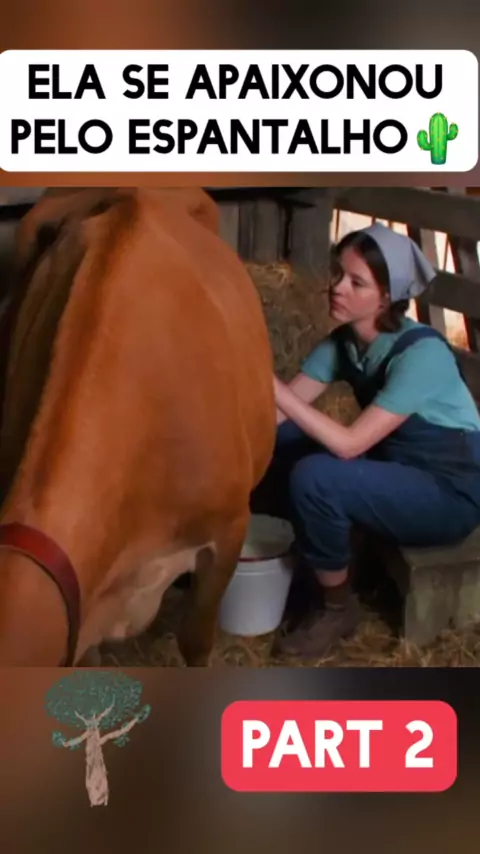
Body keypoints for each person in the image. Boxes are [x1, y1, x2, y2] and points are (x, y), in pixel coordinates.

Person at [251, 222, 480, 660]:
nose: (336, 287)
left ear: (386, 298)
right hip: (397, 467)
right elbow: (278, 415)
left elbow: (349, 445)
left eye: (356, 283)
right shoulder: (344, 344)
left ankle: (337, 608)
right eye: (338, 273)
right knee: (285, 438)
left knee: (317, 477)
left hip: (449, 492)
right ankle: (303, 555)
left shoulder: (423, 355)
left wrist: (269, 382)